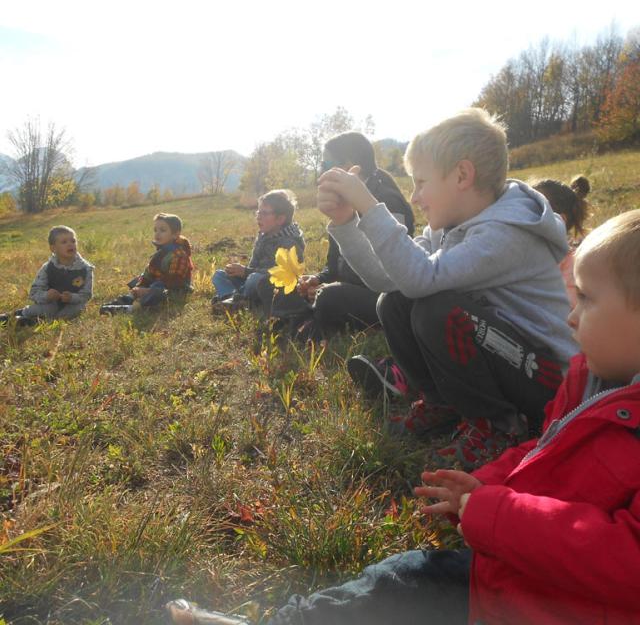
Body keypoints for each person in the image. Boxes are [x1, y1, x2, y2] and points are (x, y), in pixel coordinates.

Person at [167, 208, 640, 625]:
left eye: (588, 300)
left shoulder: (507, 242)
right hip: (528, 577)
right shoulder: (591, 378)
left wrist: (495, 512)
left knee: (401, 586)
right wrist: (488, 485)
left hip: (554, 603)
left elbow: (627, 563)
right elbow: (543, 452)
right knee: (399, 579)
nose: (571, 317)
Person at [318, 109, 577, 467]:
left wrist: (369, 205)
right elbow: (391, 279)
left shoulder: (506, 233)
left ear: (462, 175)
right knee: (394, 301)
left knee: (435, 310)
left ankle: (500, 427)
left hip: (549, 382)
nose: (414, 197)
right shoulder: (450, 225)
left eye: (421, 183)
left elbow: (420, 278)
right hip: (509, 360)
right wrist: (347, 222)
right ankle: (443, 404)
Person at [297, 132, 415, 342]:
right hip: (351, 288)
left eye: (326, 164)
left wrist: (328, 288)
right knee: (291, 287)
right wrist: (318, 279)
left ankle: (313, 321)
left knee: (329, 297)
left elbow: (390, 274)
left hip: (383, 294)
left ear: (349, 165)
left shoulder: (388, 200)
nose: (321, 173)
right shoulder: (342, 200)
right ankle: (312, 313)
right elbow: (336, 265)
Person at [211, 190, 307, 320]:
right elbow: (254, 264)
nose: (258, 216)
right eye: (258, 212)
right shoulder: (264, 235)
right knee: (219, 275)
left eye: (264, 213)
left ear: (280, 219)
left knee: (254, 279)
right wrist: (240, 271)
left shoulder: (289, 242)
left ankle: (233, 299)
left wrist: (246, 272)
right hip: (252, 279)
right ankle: (235, 299)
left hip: (270, 285)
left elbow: (280, 273)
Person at [0, 225, 93, 326]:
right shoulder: (48, 268)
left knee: (72, 312)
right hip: (50, 303)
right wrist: (47, 296)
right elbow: (34, 292)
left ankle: (35, 322)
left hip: (73, 304)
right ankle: (15, 316)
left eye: (73, 241)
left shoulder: (85, 269)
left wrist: (72, 297)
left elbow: (87, 295)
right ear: (53, 248)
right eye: (64, 242)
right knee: (47, 309)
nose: (70, 244)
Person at [100, 213, 193, 314]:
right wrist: (140, 286)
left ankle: (132, 309)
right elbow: (149, 272)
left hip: (176, 291)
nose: (157, 234)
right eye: (155, 230)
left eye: (163, 230)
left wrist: (147, 290)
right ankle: (128, 298)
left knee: (158, 290)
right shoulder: (161, 251)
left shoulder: (179, 255)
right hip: (159, 285)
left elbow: (175, 282)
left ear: (175, 234)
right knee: (140, 279)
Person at [533, 175, 590, 308]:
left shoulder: (573, 268)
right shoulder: (519, 251)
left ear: (557, 221)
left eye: (529, 210)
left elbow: (567, 310)